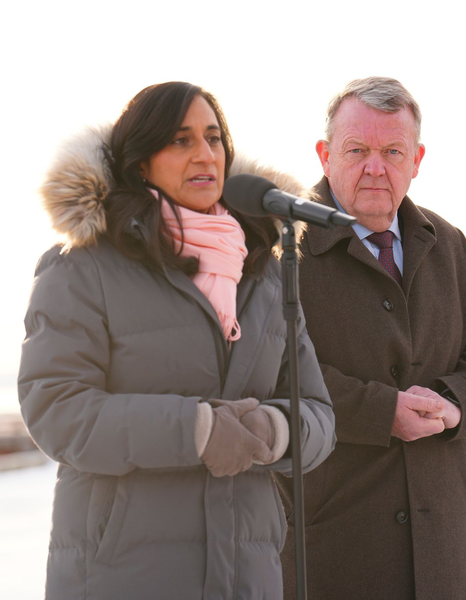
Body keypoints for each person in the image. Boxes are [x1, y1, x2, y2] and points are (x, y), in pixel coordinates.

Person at [18, 82, 336, 600]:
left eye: (213, 138)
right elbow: (57, 411)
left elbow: (319, 414)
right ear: (141, 162)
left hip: (246, 577)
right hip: (120, 577)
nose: (204, 154)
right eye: (180, 140)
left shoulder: (266, 275)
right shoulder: (82, 269)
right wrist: (196, 429)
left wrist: (274, 429)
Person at [275, 77, 466, 600]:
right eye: (356, 150)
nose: (375, 167)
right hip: (331, 547)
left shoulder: (447, 243)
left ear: (417, 158)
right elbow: (273, 369)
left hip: (441, 546)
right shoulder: (281, 250)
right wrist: (382, 412)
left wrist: (454, 403)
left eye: (392, 151)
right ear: (324, 154)